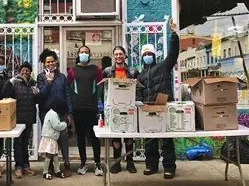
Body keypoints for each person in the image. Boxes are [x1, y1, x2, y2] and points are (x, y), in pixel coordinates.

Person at [136, 18, 179, 180]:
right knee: (150, 140)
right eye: (145, 54)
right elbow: (138, 91)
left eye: (150, 54)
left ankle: (169, 167)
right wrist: (138, 101)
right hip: (148, 110)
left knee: (167, 140)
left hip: (164, 107)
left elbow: (174, 53)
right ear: (142, 57)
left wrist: (174, 34)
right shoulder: (140, 75)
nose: (147, 56)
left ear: (154, 55)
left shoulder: (163, 66)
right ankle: (151, 165)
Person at [67, 45, 104, 176]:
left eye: (86, 52)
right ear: (78, 54)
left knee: (94, 137)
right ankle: (83, 163)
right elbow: (69, 89)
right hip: (78, 109)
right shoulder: (72, 70)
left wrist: (100, 105)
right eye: (81, 52)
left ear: (89, 55)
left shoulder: (96, 70)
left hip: (92, 108)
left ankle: (98, 164)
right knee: (80, 136)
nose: (84, 54)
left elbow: (101, 88)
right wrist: (70, 107)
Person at [102, 46, 139, 174]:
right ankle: (117, 162)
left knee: (129, 137)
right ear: (113, 56)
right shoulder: (107, 71)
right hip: (114, 108)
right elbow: (104, 88)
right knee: (116, 137)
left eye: (121, 54)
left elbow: (137, 88)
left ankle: (130, 162)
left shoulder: (133, 71)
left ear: (125, 55)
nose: (118, 56)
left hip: (129, 107)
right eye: (116, 54)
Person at [37, 49, 72, 177]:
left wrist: (69, 112)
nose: (50, 64)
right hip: (46, 113)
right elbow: (41, 95)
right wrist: (49, 82)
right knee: (49, 138)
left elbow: (67, 94)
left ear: (55, 62)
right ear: (44, 63)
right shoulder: (41, 77)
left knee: (63, 136)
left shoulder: (62, 77)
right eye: (48, 62)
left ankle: (66, 163)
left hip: (61, 113)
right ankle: (50, 165)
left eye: (52, 61)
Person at [2, 62, 38, 179]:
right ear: (19, 71)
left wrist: (37, 94)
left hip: (29, 117)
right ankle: (18, 166)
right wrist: (9, 82)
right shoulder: (15, 83)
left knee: (26, 143)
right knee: (18, 143)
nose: (25, 72)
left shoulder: (34, 83)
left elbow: (37, 101)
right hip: (17, 118)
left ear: (30, 72)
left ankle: (26, 165)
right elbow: (5, 94)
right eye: (23, 70)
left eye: (27, 70)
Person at [39, 98, 69, 180]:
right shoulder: (53, 114)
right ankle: (45, 172)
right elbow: (57, 125)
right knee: (49, 155)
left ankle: (57, 170)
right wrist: (65, 124)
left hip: (52, 137)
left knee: (55, 154)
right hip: (50, 138)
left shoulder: (51, 113)